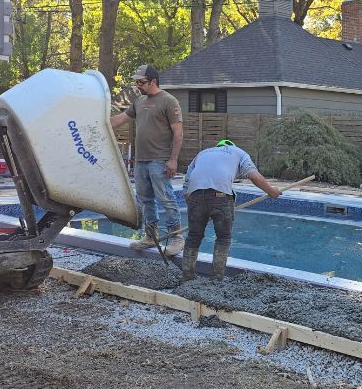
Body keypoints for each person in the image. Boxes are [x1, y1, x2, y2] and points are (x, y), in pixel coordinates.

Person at [110, 64, 185, 254]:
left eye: (141, 82)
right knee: (145, 200)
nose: (137, 86)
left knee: (166, 198)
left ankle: (176, 236)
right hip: (141, 160)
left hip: (160, 160)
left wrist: (173, 160)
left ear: (153, 81)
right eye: (136, 82)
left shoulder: (169, 101)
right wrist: (96, 122)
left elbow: (178, 133)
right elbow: (119, 120)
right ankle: (151, 236)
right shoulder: (139, 101)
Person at [181, 139, 282, 281]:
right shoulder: (239, 152)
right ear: (230, 146)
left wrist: (200, 208)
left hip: (195, 196)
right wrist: (272, 191)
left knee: (193, 236)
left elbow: (186, 187)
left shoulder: (202, 153)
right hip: (221, 196)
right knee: (223, 238)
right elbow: (253, 175)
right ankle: (217, 280)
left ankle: (186, 278)